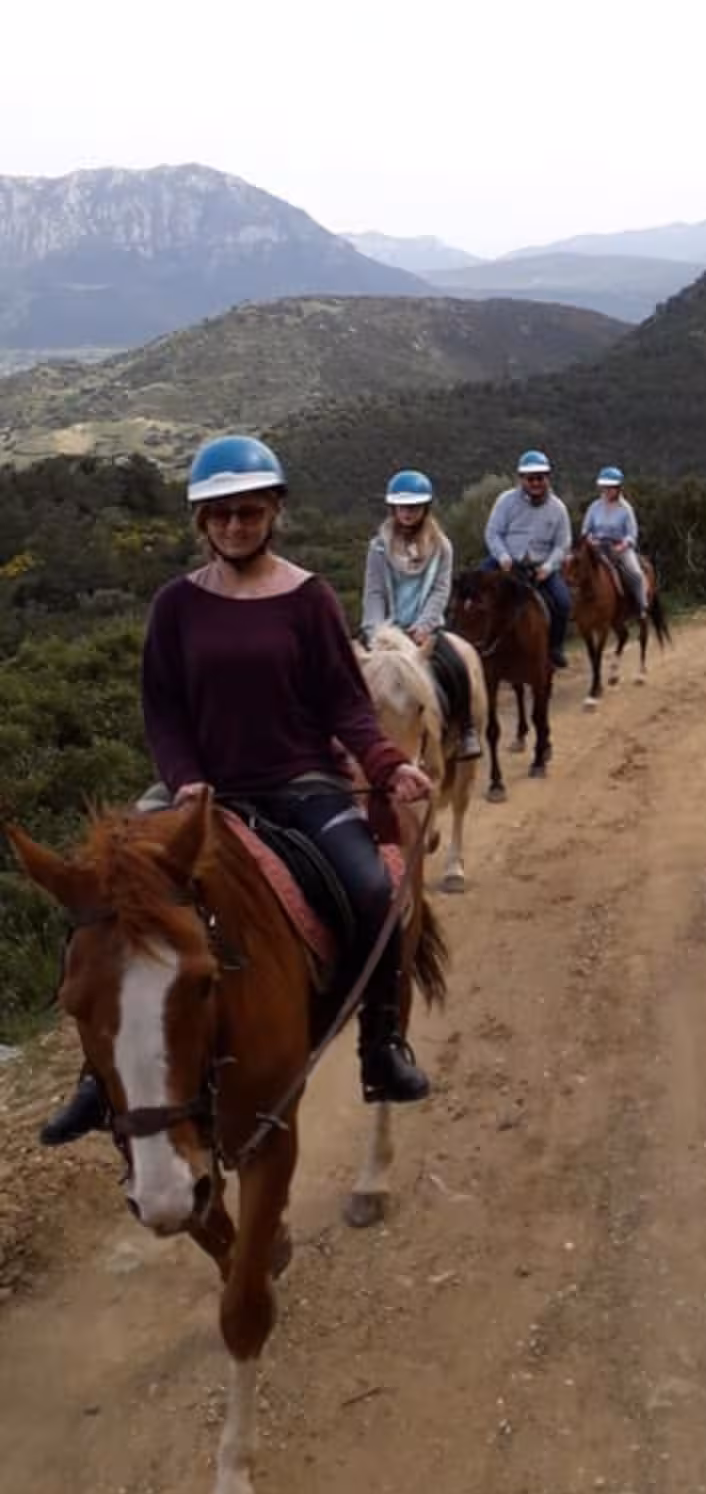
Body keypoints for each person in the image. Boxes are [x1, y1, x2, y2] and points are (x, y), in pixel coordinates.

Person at [38, 434, 436, 1148]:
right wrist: (187, 778)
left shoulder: (309, 598)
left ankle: (381, 1045)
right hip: (198, 794)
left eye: (248, 513)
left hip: (301, 786)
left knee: (373, 891)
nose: (234, 526)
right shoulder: (175, 607)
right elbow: (162, 710)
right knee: (102, 899)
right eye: (219, 516)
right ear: (202, 523)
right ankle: (97, 1080)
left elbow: (346, 704)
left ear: (273, 512)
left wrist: (384, 764)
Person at [361, 469, 482, 759]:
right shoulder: (378, 548)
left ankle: (465, 729)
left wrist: (424, 625)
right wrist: (377, 631)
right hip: (384, 632)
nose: (407, 512)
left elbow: (440, 590)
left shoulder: (442, 546)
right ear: (393, 508)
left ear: (425, 508)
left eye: (414, 507)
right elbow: (374, 591)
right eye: (402, 507)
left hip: (423, 629)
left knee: (456, 666)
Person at [483, 449, 573, 669]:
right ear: (521, 479)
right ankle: (474, 644)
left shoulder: (558, 508)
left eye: (540, 478)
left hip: (539, 566)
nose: (535, 483)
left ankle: (554, 648)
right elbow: (493, 533)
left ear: (547, 478)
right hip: (507, 561)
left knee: (563, 602)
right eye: (530, 478)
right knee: (473, 592)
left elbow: (563, 544)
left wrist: (549, 567)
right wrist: (503, 557)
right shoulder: (505, 501)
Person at [580, 466, 648, 616]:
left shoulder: (626, 509)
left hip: (619, 547)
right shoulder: (594, 507)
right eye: (604, 487)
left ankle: (642, 605)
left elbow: (632, 534)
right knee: (574, 568)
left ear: (618, 488)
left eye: (611, 488)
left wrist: (623, 545)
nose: (607, 491)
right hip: (597, 546)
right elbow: (585, 529)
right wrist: (590, 540)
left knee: (635, 573)